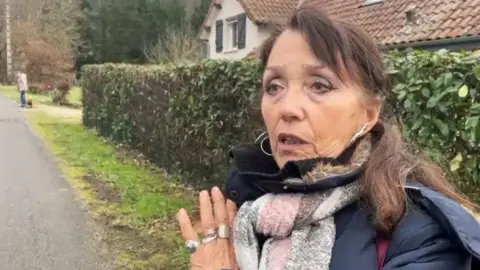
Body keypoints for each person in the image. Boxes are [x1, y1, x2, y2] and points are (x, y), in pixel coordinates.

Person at [176, 5, 480, 270]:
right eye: (274, 87)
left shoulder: (424, 236)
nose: (287, 108)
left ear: (369, 113)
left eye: (320, 86)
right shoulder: (253, 208)